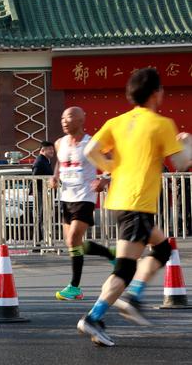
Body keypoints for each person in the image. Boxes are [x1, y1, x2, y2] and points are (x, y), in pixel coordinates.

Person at [77, 68, 192, 347]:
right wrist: (187, 143)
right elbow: (181, 164)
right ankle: (96, 316)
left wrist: (113, 168)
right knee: (125, 269)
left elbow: (90, 150)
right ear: (155, 93)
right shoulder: (161, 124)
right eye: (162, 90)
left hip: (121, 199)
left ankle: (133, 297)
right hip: (137, 202)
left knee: (163, 248)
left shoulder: (117, 122)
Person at [49, 107, 115, 301]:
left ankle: (74, 287)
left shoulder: (92, 143)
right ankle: (110, 253)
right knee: (73, 243)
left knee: (72, 241)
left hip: (85, 196)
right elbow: (59, 163)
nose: (64, 121)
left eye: (69, 117)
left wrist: (104, 178)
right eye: (62, 117)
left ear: (81, 120)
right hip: (66, 197)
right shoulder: (60, 143)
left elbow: (113, 161)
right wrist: (54, 177)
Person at [32, 141, 55, 243]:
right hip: (42, 193)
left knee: (45, 217)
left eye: (52, 149)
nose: (52, 151)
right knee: (42, 217)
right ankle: (38, 242)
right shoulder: (40, 161)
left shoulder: (45, 160)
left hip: (46, 193)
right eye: (49, 149)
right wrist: (35, 191)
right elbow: (35, 176)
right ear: (42, 150)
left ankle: (44, 241)